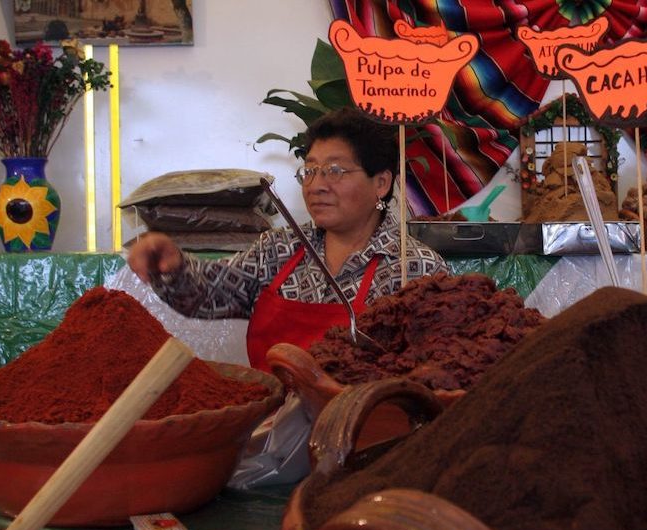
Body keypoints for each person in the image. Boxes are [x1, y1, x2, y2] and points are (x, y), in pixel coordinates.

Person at [128, 108, 449, 369]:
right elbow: (208, 295)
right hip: (272, 427)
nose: (316, 185)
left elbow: (433, 367)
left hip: (368, 431)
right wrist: (171, 265)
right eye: (309, 171)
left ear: (380, 183)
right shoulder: (280, 249)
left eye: (335, 171)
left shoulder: (415, 267)